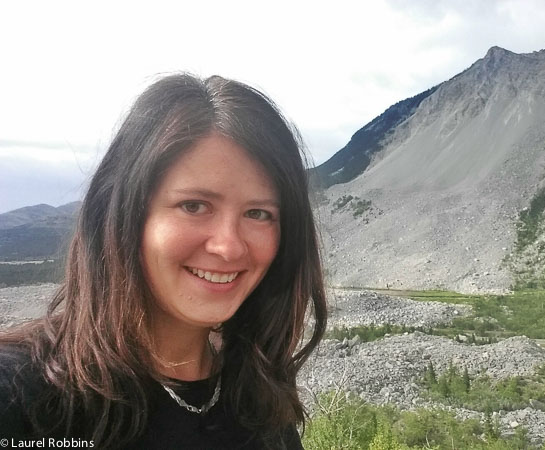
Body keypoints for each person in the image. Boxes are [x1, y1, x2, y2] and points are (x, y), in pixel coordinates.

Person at [0, 74, 327, 449]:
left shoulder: (259, 397)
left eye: (258, 213)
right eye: (194, 206)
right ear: (124, 216)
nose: (229, 247)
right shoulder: (20, 398)